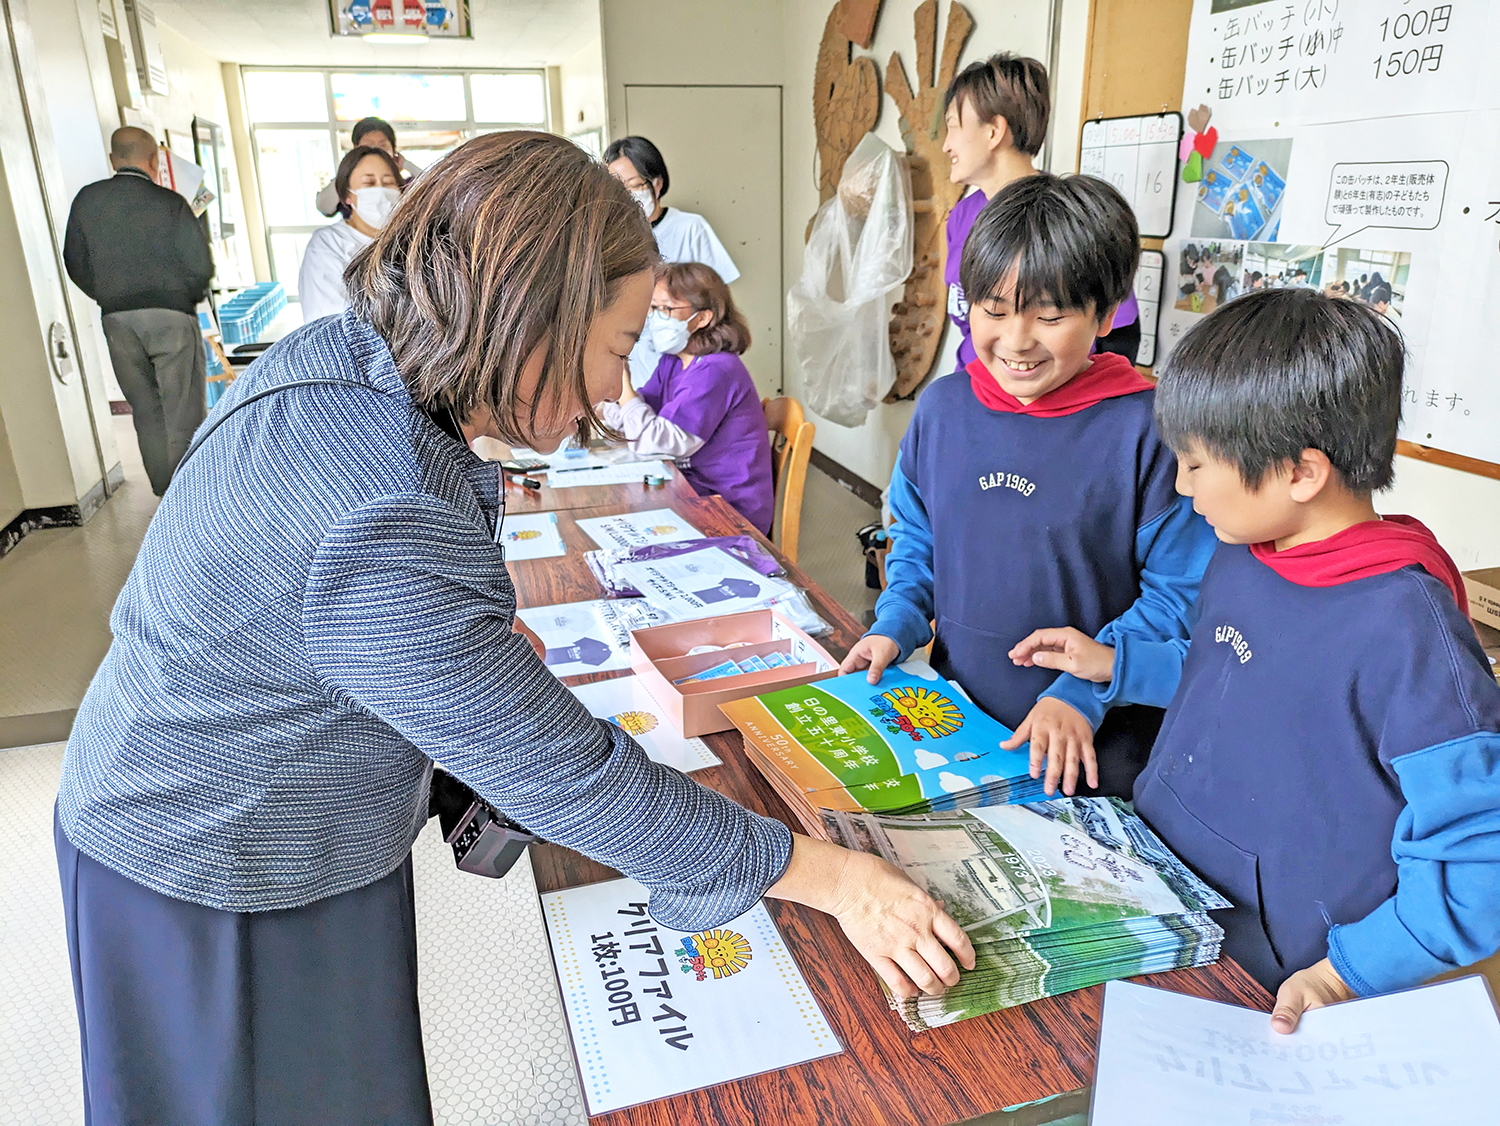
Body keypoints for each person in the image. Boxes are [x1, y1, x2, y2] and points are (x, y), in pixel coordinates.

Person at [55, 131, 972, 1125]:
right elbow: (569, 773)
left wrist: (455, 656)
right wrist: (834, 876)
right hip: (212, 855)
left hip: (256, 807)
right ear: (531, 318)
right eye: (618, 349)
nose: (620, 389)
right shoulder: (381, 504)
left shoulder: (355, 353)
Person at [1021, 289, 1500, 1033]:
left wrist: (1349, 972)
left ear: (1301, 472)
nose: (1181, 487)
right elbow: (1227, 672)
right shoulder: (1246, 552)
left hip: (1285, 968)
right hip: (1170, 894)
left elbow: (1480, 864)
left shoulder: (1408, 625)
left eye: (1196, 465)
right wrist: (1116, 666)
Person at [840, 173, 1217, 799]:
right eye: (994, 310)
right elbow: (918, 538)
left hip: (1094, 745)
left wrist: (1082, 689)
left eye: (1051, 316)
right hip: (955, 718)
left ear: (1103, 313)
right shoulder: (943, 410)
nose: (1016, 341)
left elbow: (1178, 596)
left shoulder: (1148, 430)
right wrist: (896, 621)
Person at [940, 54, 1143, 369]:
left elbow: (1119, 338)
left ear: (994, 131)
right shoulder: (962, 216)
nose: (946, 145)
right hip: (976, 395)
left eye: (953, 126)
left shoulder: (1074, 217)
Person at [63, 126, 213, 497]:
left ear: (113, 160)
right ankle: (188, 494)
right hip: (172, 316)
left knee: (145, 409)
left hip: (117, 319)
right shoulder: (171, 203)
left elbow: (74, 261)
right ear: (153, 161)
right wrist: (185, 299)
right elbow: (200, 265)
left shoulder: (86, 201)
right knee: (182, 409)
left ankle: (162, 490)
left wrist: (108, 297)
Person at [601, 262, 774, 534]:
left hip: (729, 511)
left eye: (666, 309)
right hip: (690, 490)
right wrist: (608, 398)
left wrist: (623, 385)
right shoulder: (674, 362)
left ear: (702, 318)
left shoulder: (715, 370)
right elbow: (637, 416)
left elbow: (654, 442)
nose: (656, 319)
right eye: (654, 309)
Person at [604, 135, 740, 386]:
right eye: (616, 188)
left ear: (656, 184)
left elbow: (719, 301)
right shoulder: (609, 239)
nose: (625, 196)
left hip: (688, 362)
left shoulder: (690, 228)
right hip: (633, 365)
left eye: (634, 186)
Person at [298, 145, 403, 323]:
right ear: (348, 195)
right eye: (368, 183)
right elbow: (328, 321)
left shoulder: (409, 240)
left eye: (388, 183)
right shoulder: (328, 244)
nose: (381, 192)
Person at [313, 116, 421, 217]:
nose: (376, 152)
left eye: (383, 146)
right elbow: (324, 207)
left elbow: (435, 191)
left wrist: (406, 164)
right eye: (368, 146)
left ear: (393, 151)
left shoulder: (406, 185)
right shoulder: (351, 187)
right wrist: (348, 171)